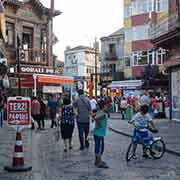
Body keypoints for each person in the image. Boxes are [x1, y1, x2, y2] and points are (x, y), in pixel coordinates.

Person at [92, 100, 109, 168]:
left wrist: (97, 122)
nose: (107, 107)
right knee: (100, 148)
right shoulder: (103, 113)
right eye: (106, 106)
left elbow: (93, 116)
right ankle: (99, 162)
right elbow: (95, 118)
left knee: (98, 147)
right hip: (99, 133)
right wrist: (99, 124)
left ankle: (97, 161)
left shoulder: (98, 112)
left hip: (97, 132)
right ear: (104, 106)